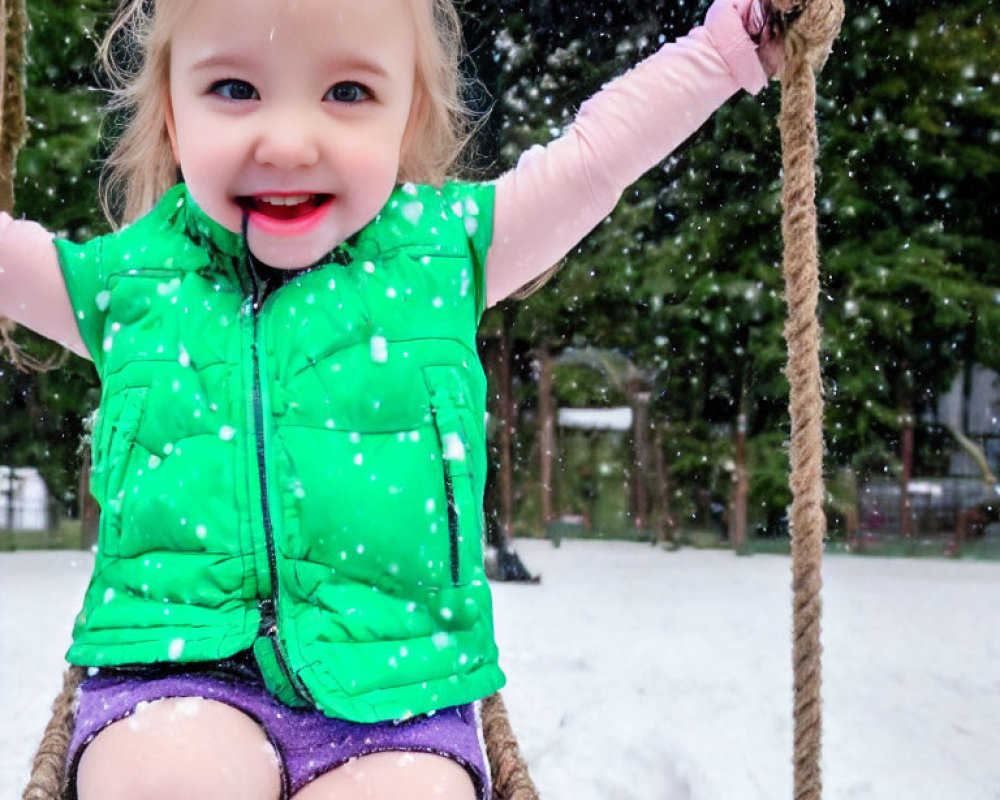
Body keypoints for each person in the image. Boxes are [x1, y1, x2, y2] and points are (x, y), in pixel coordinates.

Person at [0, 0, 782, 798]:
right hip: (173, 672)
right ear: (172, 112)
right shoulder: (129, 282)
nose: (288, 141)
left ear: (407, 118)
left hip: (398, 699)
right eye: (235, 89)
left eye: (347, 93)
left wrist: (729, 50)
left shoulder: (445, 255)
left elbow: (594, 159)